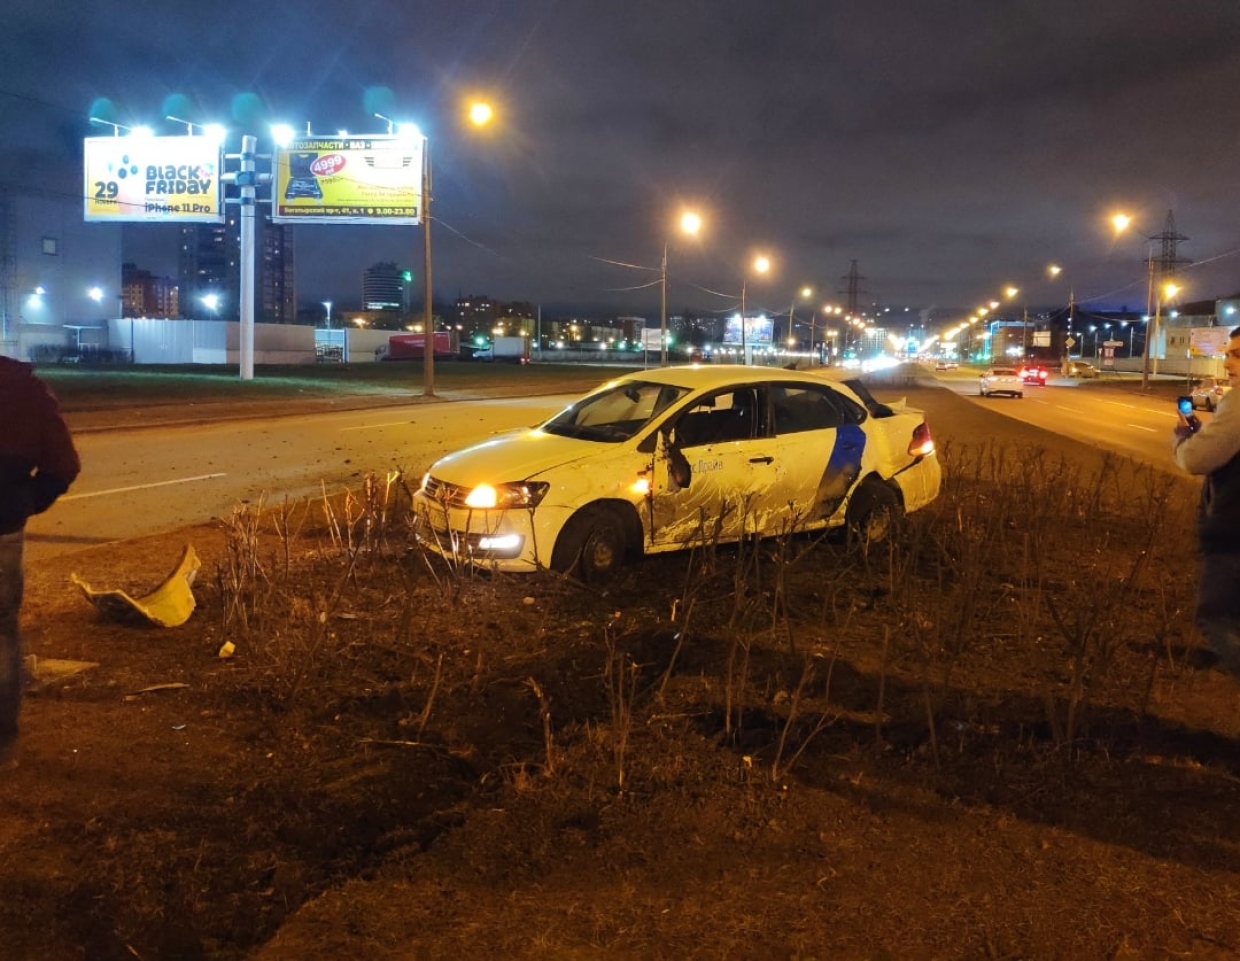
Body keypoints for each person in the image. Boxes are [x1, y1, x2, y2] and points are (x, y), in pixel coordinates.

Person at [0, 357, 81, 762]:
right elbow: (63, 465)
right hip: (3, 528)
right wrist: (23, 501)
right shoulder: (21, 386)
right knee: (1, 634)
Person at [1173, 325, 1240, 678]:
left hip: (1233, 533)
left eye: (1237, 354)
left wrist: (1184, 435)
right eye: (1228, 353)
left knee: (1214, 616)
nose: (1228, 361)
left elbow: (1196, 459)